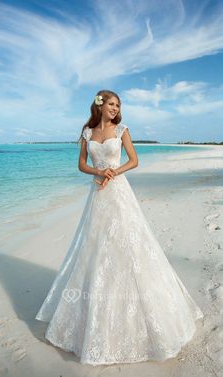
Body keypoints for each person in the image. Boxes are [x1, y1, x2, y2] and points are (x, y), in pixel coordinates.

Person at [35, 89, 204, 366]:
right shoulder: (87, 132)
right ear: (99, 105)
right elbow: (80, 164)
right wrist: (98, 172)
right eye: (111, 104)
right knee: (96, 249)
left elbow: (134, 160)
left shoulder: (122, 129)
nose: (115, 108)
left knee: (129, 247)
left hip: (119, 194)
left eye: (117, 105)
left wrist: (114, 172)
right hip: (98, 195)